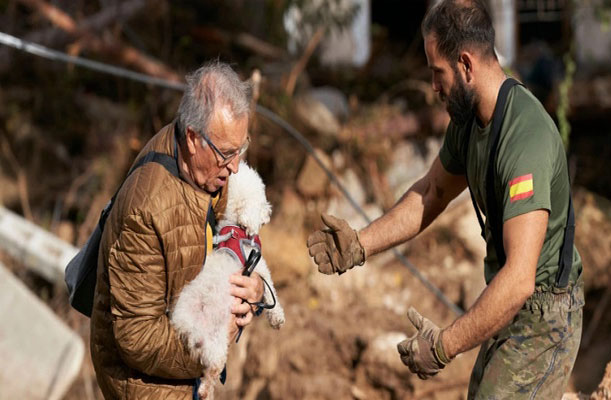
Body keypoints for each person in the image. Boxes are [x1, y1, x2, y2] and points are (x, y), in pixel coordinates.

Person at [307, 1, 584, 398]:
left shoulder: (526, 139)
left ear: (466, 65)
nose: (433, 87)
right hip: (509, 298)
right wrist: (358, 245)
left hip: (543, 315)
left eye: (438, 73)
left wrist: (443, 346)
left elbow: (521, 278)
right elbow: (431, 192)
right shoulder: (469, 120)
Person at [90, 61, 265, 399]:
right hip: (146, 386)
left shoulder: (208, 169)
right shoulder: (146, 210)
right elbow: (136, 337)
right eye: (227, 153)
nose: (236, 166)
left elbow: (235, 239)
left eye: (240, 149)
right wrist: (213, 342)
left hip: (189, 364)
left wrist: (253, 292)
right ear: (193, 137)